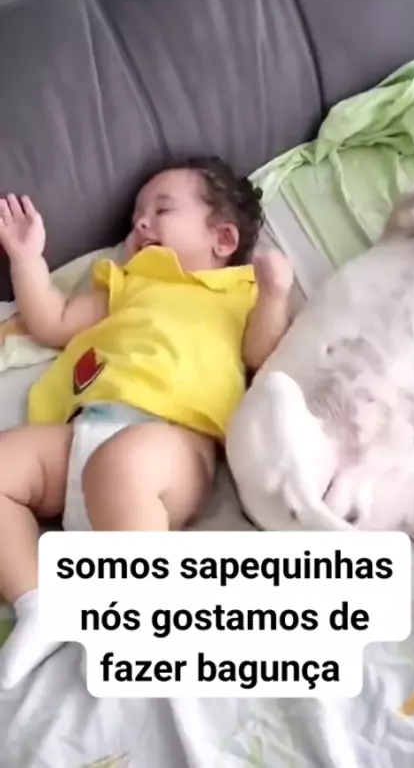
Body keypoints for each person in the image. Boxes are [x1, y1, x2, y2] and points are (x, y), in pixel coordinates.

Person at [0, 157, 294, 688]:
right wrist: (26, 259)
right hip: (82, 433)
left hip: (172, 445)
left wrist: (274, 294)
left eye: (163, 210)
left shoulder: (238, 293)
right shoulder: (129, 284)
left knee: (123, 465)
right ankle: (38, 601)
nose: (140, 222)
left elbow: (261, 354)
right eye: (137, 214)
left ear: (223, 238)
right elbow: (54, 322)